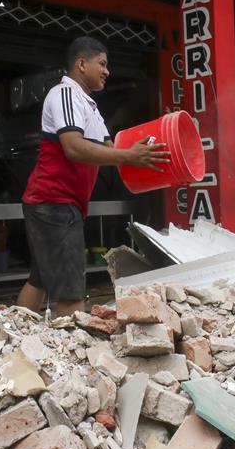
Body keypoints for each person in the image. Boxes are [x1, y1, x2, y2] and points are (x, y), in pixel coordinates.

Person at [16, 36, 170, 316]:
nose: (107, 71)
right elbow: (73, 147)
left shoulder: (90, 107)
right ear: (81, 64)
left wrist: (148, 150)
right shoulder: (65, 94)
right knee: (71, 292)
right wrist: (128, 156)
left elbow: (112, 150)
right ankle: (70, 354)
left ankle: (7, 338)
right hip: (53, 202)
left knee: (40, 278)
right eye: (102, 63)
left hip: (61, 204)